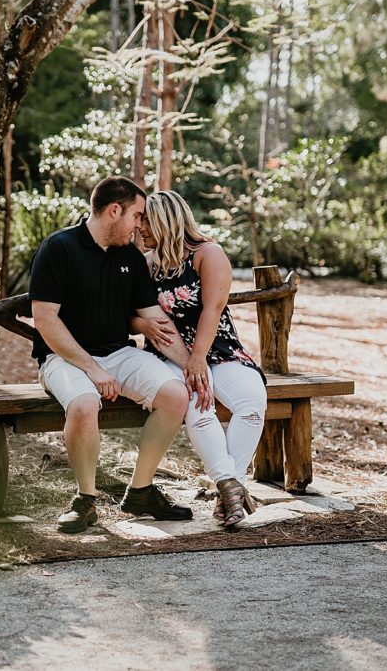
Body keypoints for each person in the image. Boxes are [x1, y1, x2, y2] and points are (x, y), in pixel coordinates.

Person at [29, 176, 195, 534]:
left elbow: (157, 322)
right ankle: (85, 500)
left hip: (118, 352)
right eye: (136, 216)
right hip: (63, 357)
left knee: (175, 394)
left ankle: (140, 491)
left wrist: (194, 368)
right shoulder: (58, 248)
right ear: (114, 210)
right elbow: (45, 320)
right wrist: (91, 369)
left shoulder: (129, 258)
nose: (140, 225)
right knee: (86, 403)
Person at [133, 190, 267, 527]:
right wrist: (145, 326)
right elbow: (131, 315)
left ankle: (229, 487)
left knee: (252, 401)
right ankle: (230, 488)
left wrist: (198, 360)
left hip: (217, 349)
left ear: (165, 220)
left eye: (145, 220)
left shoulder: (208, 254)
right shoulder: (146, 265)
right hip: (168, 355)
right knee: (197, 403)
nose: (139, 228)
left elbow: (213, 309)